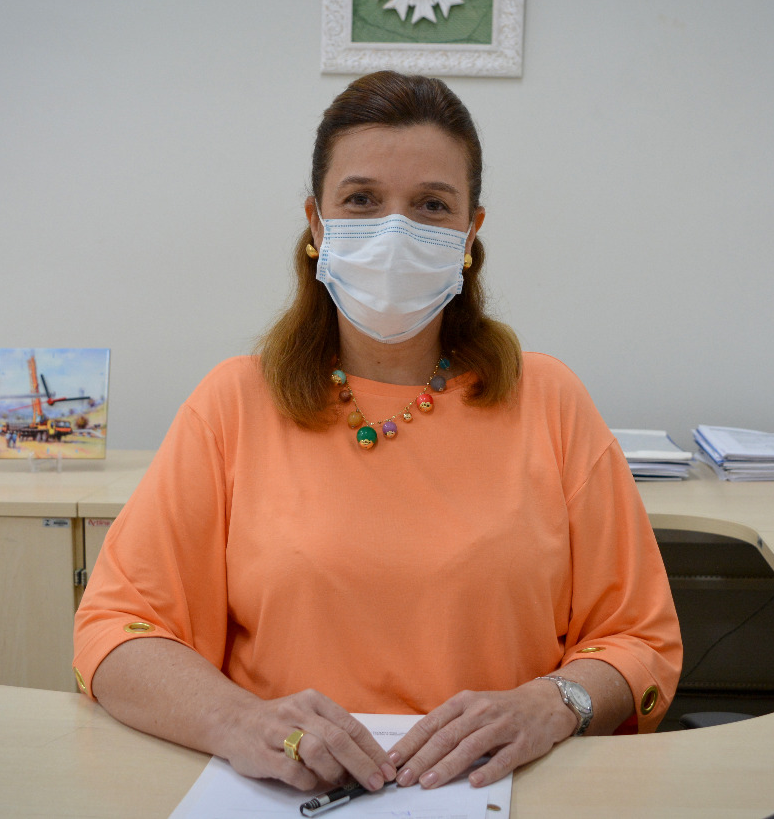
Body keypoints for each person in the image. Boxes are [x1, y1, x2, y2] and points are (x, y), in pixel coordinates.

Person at [73, 70, 681, 796]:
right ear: (316, 224)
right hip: (286, 794)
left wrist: (556, 702)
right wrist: (239, 721)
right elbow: (116, 630)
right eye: (362, 200)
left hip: (501, 792)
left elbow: (640, 639)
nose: (396, 230)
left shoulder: (549, 400)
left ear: (470, 232)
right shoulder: (233, 403)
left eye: (432, 205)